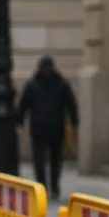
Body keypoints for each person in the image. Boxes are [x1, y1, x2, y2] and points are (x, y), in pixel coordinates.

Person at [17, 55, 79, 200]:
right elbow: (71, 105)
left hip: (39, 127)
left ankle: (43, 186)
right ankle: (53, 186)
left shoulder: (32, 84)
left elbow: (23, 106)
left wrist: (19, 121)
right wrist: (75, 122)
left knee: (41, 159)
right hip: (55, 127)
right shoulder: (61, 84)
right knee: (55, 159)